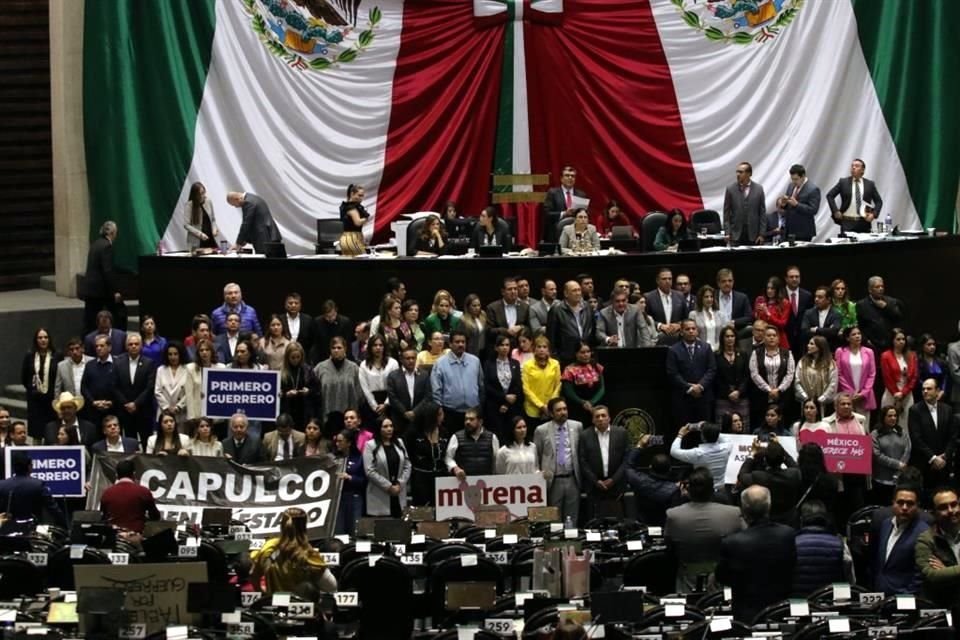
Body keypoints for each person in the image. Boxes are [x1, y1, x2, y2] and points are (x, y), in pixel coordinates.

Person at [716, 485, 796, 624]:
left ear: (744, 509)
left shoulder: (732, 542)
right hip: (780, 610)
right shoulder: (788, 534)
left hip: (746, 614)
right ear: (769, 507)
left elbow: (722, 577)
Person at [665, 467, 743, 592]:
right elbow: (741, 546)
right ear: (712, 490)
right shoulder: (733, 513)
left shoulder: (673, 515)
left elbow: (670, 548)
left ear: (689, 490)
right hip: (724, 582)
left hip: (688, 580)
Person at [250, 507, 337, 595]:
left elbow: (253, 576)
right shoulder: (309, 555)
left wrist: (263, 593)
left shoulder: (268, 548)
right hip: (302, 606)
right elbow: (331, 587)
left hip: (272, 604)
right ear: (304, 526)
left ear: (282, 524)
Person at [868, 481, 927, 595]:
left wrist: (906, 596)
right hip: (880, 594)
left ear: (917, 506)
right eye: (900, 502)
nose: (904, 507)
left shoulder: (923, 532)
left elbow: (920, 576)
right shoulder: (885, 524)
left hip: (903, 598)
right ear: (893, 503)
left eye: (910, 503)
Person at [533, 398, 582, 526]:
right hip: (553, 481)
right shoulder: (541, 430)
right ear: (551, 413)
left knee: (572, 518)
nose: (563, 412)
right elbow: (537, 455)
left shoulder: (577, 426)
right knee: (554, 520)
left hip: (572, 479)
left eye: (565, 409)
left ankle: (571, 544)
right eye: (558, 410)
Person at [791, 500, 854, 597]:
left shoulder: (792, 544)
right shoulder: (839, 543)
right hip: (829, 603)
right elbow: (850, 579)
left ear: (801, 520)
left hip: (800, 604)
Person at [908, 379, 958, 492]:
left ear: (937, 391)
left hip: (944, 464)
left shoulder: (947, 409)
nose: (925, 391)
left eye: (929, 389)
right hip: (925, 463)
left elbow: (953, 436)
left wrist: (945, 456)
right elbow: (916, 438)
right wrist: (933, 458)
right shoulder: (915, 410)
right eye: (923, 389)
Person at [577, 406, 629, 516]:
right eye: (597, 416)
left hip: (616, 486)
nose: (600, 419)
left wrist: (613, 480)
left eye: (603, 415)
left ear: (609, 418)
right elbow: (583, 461)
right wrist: (596, 481)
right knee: (594, 522)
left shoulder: (621, 433)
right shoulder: (585, 435)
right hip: (594, 487)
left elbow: (626, 459)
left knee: (617, 521)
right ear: (593, 420)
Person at [430, 330, 483, 433]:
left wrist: (479, 407)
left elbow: (481, 385)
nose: (461, 344)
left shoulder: (475, 361)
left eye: (463, 342)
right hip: (450, 413)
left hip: (473, 412)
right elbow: (436, 390)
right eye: (457, 342)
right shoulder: (440, 363)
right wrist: (439, 410)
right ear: (450, 344)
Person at [915, 487, 960, 608]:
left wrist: (947, 571)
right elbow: (932, 575)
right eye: (943, 507)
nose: (951, 510)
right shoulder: (926, 540)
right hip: (944, 606)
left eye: (954, 504)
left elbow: (943, 576)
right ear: (933, 512)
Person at [666, 319, 716, 427]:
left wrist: (700, 386)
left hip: (703, 397)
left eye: (693, 328)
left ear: (697, 331)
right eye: (687, 329)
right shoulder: (674, 350)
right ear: (681, 332)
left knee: (703, 431)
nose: (691, 331)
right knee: (685, 433)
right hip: (683, 399)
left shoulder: (706, 347)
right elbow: (673, 373)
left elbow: (711, 369)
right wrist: (689, 387)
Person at [737, 440, 801, 524]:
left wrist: (752, 455)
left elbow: (742, 475)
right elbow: (795, 466)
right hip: (789, 520)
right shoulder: (793, 475)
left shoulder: (758, 477)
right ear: (783, 459)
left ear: (765, 460)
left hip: (766, 520)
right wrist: (780, 448)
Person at [113, 332, 157, 449]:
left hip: (143, 410)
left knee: (146, 442)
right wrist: (126, 404)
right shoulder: (118, 362)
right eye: (130, 344)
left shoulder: (149, 363)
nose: (133, 346)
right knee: (129, 443)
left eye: (136, 344)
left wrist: (136, 403)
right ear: (126, 346)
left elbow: (150, 387)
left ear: (141, 346)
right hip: (126, 411)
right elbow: (115, 386)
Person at [0, 451, 66, 526]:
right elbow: (53, 509)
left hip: (6, 530)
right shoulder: (38, 485)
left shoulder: (2, 485)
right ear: (29, 467)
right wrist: (66, 527)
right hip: (31, 529)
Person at [362, 418, 411, 517]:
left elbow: (407, 465)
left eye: (391, 426)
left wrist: (399, 484)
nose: (389, 429)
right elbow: (370, 471)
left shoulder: (399, 442)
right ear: (379, 429)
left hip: (398, 492)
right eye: (385, 426)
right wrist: (388, 486)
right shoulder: (370, 445)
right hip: (380, 493)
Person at [81, 220, 122, 334]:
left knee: (89, 320)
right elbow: (107, 271)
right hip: (100, 291)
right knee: (115, 315)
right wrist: (115, 291)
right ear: (112, 233)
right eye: (115, 233)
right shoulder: (106, 246)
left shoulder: (96, 243)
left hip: (90, 289)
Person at [313, 337, 362, 432]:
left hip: (348, 419)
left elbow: (359, 394)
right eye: (333, 348)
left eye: (339, 348)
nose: (336, 350)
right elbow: (314, 393)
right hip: (325, 417)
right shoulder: (320, 368)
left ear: (345, 349)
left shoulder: (354, 368)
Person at [99, 458, 161, 534]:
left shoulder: (107, 493)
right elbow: (155, 516)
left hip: (114, 538)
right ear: (134, 474)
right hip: (136, 537)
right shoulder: (144, 492)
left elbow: (103, 516)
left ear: (117, 475)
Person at [404, 401, 447, 506]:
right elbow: (408, 454)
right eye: (440, 414)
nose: (443, 417)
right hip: (420, 478)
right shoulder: (413, 433)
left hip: (440, 477)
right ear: (431, 416)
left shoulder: (444, 432)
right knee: (422, 512)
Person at [826, 158, 883, 234]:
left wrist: (873, 214)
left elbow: (879, 201)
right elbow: (830, 195)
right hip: (847, 223)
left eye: (856, 166)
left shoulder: (870, 184)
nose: (853, 167)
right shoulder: (843, 182)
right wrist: (835, 211)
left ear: (862, 170)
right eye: (852, 166)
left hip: (864, 223)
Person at [670, 422, 731, 492]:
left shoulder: (698, 453)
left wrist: (680, 435)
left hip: (702, 492)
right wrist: (711, 429)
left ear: (703, 437)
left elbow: (673, 451)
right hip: (721, 490)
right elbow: (723, 437)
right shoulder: (727, 448)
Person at [22, 328, 59, 441]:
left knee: (51, 433)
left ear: (49, 339)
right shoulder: (30, 356)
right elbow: (24, 377)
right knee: (37, 435)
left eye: (45, 337)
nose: (43, 340)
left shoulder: (57, 355)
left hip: (51, 401)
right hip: (35, 402)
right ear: (36, 340)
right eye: (40, 338)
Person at [483, 336, 523, 442]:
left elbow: (518, 385)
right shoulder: (488, 364)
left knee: (511, 436)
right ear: (496, 348)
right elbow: (487, 386)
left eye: (507, 345)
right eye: (501, 345)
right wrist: (504, 398)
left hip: (511, 407)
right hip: (494, 406)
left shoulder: (515, 363)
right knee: (497, 437)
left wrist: (507, 404)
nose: (505, 347)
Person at [547, 280, 596, 366]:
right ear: (566, 294)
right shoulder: (556, 310)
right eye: (574, 291)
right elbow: (551, 338)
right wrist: (555, 359)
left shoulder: (587, 307)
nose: (578, 293)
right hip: (566, 358)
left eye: (579, 290)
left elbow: (593, 332)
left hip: (586, 357)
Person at [626, 450, 679, 526]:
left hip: (643, 525)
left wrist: (639, 447)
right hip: (665, 526)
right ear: (670, 469)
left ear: (650, 467)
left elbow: (628, 467)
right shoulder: (675, 490)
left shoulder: (639, 481)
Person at [835, 326, 877, 423]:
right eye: (854, 334)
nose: (858, 336)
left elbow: (872, 374)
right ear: (847, 338)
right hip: (846, 396)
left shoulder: (869, 352)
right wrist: (851, 393)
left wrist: (863, 393)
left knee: (863, 427)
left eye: (859, 334)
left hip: (864, 395)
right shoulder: (840, 351)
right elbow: (839, 373)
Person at [871, 406, 911, 506]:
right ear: (883, 417)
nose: (893, 418)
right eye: (889, 416)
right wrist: (897, 464)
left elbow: (908, 449)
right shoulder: (875, 434)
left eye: (895, 416)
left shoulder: (902, 432)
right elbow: (877, 455)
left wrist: (902, 465)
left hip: (900, 479)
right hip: (881, 479)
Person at [444, 407, 499, 479]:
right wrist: (455, 468)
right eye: (466, 419)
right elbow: (448, 457)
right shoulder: (456, 437)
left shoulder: (492, 437)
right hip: (463, 482)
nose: (468, 422)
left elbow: (496, 461)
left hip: (487, 482)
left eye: (471, 419)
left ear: (480, 422)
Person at [386, 347, 431, 434]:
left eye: (413, 358)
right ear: (401, 359)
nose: (411, 361)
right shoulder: (393, 376)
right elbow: (392, 397)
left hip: (419, 418)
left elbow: (428, 396)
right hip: (399, 419)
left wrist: (415, 412)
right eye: (408, 358)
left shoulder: (424, 375)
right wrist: (404, 412)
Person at [722, 162, 767, 246]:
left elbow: (762, 214)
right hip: (735, 235)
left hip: (754, 235)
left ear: (749, 173)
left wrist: (762, 234)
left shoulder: (759, 189)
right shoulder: (730, 189)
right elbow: (726, 213)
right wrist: (727, 232)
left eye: (741, 172)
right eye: (737, 172)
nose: (738, 174)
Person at [880, 328, 917, 427]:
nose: (901, 342)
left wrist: (903, 393)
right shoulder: (886, 355)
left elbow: (914, 377)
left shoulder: (911, 355)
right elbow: (887, 377)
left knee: (906, 424)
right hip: (891, 393)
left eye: (903, 339)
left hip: (907, 394)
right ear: (892, 340)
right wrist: (896, 395)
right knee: (888, 423)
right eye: (898, 339)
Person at [715, 325, 750, 429]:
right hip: (723, 398)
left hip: (741, 397)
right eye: (727, 336)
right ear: (722, 339)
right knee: (723, 428)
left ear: (736, 338)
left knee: (743, 428)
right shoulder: (716, 355)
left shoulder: (743, 354)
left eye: (732, 336)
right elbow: (716, 378)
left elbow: (747, 375)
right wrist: (728, 393)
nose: (730, 339)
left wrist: (739, 391)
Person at [561, 343, 605, 426]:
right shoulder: (569, 370)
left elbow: (602, 388)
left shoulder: (596, 366)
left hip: (596, 406)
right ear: (576, 354)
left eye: (588, 352)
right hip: (577, 408)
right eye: (582, 352)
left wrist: (592, 402)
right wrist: (582, 403)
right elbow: (568, 392)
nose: (586, 355)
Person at [775, 165, 821, 242]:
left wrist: (797, 205)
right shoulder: (791, 186)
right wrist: (784, 204)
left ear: (803, 176)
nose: (793, 182)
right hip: (789, 229)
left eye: (796, 179)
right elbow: (788, 206)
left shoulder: (813, 189)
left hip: (803, 231)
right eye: (792, 179)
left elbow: (813, 210)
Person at [521, 335, 561, 423]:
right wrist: (541, 405)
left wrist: (549, 404)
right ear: (534, 349)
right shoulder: (527, 366)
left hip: (550, 408)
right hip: (532, 409)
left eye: (544, 347)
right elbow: (526, 388)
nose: (542, 349)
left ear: (548, 350)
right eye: (539, 347)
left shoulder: (555, 364)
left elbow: (558, 386)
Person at [332, 429, 365, 535]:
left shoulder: (359, 458)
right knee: (339, 530)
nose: (337, 444)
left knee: (354, 529)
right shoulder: (333, 458)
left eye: (340, 441)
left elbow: (364, 480)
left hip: (354, 496)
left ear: (349, 443)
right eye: (336, 441)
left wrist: (350, 477)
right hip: (338, 498)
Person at [793, 336, 838, 414]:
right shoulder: (802, 362)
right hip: (806, 402)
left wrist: (822, 399)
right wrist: (806, 398)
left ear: (820, 347)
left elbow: (833, 384)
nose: (808, 346)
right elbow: (797, 381)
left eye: (811, 344)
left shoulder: (830, 363)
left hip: (823, 404)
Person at [543, 165, 587, 242]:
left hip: (577, 236)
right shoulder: (553, 193)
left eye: (572, 176)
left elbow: (586, 215)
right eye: (567, 175)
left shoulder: (581, 194)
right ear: (561, 178)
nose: (570, 178)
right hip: (556, 236)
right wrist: (564, 213)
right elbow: (547, 214)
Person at [81, 334, 116, 429]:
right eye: (96, 346)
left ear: (109, 347)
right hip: (94, 411)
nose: (98, 348)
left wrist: (112, 402)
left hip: (114, 410)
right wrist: (93, 402)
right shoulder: (90, 365)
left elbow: (122, 386)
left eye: (102, 346)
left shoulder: (118, 363)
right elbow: (84, 387)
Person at [644, 268, 687, 344]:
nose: (667, 281)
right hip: (657, 338)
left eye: (670, 279)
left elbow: (686, 318)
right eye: (664, 279)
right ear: (657, 281)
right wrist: (659, 325)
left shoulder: (680, 296)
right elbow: (644, 319)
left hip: (677, 338)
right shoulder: (649, 297)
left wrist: (679, 325)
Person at [184, 338, 223, 421]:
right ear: (198, 353)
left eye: (207, 350)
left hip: (215, 413)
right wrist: (191, 416)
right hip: (198, 414)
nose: (204, 352)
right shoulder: (190, 368)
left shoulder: (221, 368)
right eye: (201, 350)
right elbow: (189, 394)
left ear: (212, 351)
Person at [486, 276, 530, 346]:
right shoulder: (492, 308)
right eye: (510, 289)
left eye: (515, 289)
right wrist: (506, 331)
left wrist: (521, 327)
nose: (513, 291)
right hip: (499, 349)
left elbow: (529, 327)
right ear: (503, 292)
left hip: (519, 348)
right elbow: (489, 331)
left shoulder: (525, 307)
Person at [154, 341, 188, 430]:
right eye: (170, 354)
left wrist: (178, 407)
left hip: (181, 413)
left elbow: (189, 392)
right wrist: (167, 407)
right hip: (164, 413)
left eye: (176, 354)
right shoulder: (161, 370)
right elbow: (157, 391)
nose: (173, 357)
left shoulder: (188, 369)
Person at [753, 277, 791, 350]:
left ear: (778, 290)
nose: (769, 291)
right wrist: (757, 313)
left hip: (778, 338)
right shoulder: (761, 300)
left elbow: (782, 324)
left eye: (772, 289)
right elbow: (756, 320)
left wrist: (768, 313)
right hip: (762, 339)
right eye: (768, 288)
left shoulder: (785, 303)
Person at [310, 300, 353, 364]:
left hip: (341, 357)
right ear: (323, 314)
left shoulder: (345, 322)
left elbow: (347, 342)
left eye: (332, 315)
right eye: (327, 316)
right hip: (322, 357)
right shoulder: (317, 322)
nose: (330, 319)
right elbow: (316, 343)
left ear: (336, 311)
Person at [183, 181, 221, 251]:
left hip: (210, 238)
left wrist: (214, 229)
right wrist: (200, 234)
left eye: (203, 192)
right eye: (200, 194)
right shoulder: (189, 205)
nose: (203, 195)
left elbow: (213, 219)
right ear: (195, 195)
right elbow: (186, 225)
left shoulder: (208, 201)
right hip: (197, 240)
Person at [916, 333, 948, 403]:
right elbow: (918, 379)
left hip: (939, 395)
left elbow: (945, 377)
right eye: (929, 344)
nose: (932, 347)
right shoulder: (917, 361)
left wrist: (942, 391)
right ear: (922, 346)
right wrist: (929, 391)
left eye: (934, 344)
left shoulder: (941, 361)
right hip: (924, 395)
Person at [689, 285, 724, 350]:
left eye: (711, 297)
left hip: (718, 349)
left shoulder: (720, 314)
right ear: (701, 298)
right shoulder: (693, 314)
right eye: (706, 297)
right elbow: (693, 334)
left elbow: (723, 334)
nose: (709, 299)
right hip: (701, 349)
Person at [338, 184, 369, 256]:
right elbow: (357, 222)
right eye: (359, 195)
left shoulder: (346, 206)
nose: (361, 198)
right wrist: (366, 218)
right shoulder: (351, 207)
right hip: (352, 239)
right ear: (352, 194)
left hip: (347, 238)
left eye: (362, 196)